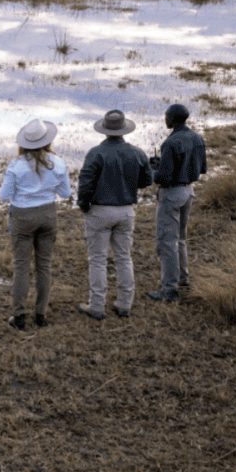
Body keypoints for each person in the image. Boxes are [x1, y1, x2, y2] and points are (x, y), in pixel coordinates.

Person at [76, 109, 153, 320]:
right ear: (123, 129)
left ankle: (97, 305)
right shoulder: (137, 153)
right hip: (126, 210)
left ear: (105, 130)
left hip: (100, 210)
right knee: (123, 257)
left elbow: (86, 183)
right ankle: (124, 303)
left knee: (98, 259)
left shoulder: (96, 153)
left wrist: (84, 205)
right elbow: (147, 181)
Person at [0, 118, 71, 330]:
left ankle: (19, 316)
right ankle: (41, 314)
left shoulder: (16, 165)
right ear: (48, 140)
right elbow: (65, 193)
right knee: (44, 265)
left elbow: (4, 196)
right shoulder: (58, 163)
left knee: (21, 266)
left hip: (22, 216)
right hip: (48, 214)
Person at [148, 103, 207, 302]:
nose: (165, 119)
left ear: (172, 119)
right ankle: (183, 279)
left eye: (166, 116)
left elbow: (163, 178)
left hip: (171, 194)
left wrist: (153, 170)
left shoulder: (170, 143)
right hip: (188, 191)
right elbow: (202, 168)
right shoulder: (197, 138)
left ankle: (169, 289)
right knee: (180, 238)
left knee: (167, 242)